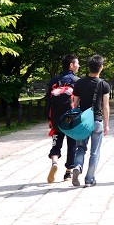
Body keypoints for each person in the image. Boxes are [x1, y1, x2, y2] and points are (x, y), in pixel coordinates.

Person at [70, 54, 110, 188]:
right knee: (95, 152)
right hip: (97, 121)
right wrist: (106, 124)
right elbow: (105, 106)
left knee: (80, 147)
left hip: (83, 121)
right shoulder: (104, 84)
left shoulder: (79, 83)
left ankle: (77, 165)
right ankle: (89, 179)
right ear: (101, 67)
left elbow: (75, 104)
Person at [45, 54, 79, 183]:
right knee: (72, 145)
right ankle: (68, 173)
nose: (78, 65)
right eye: (77, 63)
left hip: (56, 118)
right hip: (71, 118)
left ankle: (54, 162)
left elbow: (48, 101)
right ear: (71, 65)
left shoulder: (54, 81)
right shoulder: (76, 81)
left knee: (56, 142)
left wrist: (49, 118)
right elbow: (78, 101)